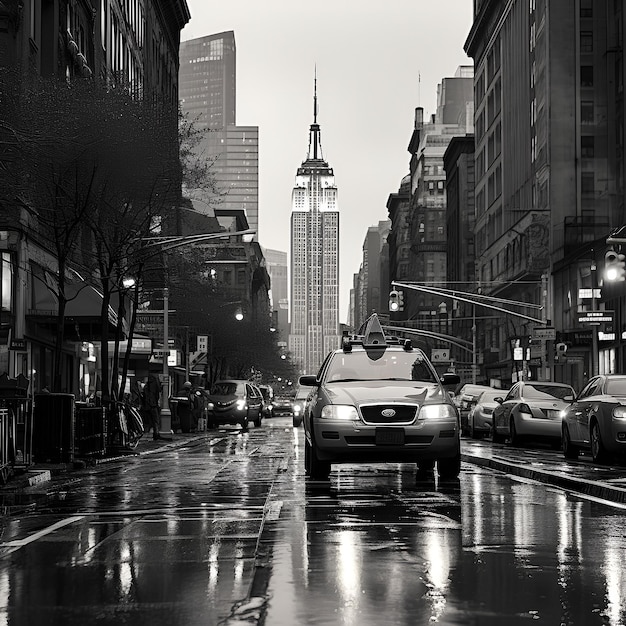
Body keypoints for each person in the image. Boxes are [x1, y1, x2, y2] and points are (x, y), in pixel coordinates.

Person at [143, 373, 165, 440]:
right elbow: (156, 393)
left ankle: (150, 433)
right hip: (153, 405)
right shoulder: (155, 384)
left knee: (151, 421)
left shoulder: (147, 386)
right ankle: (156, 434)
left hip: (148, 406)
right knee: (156, 420)